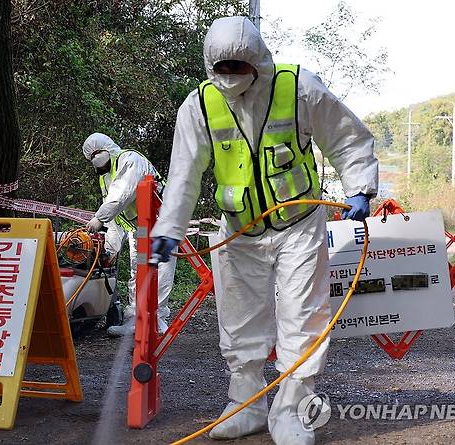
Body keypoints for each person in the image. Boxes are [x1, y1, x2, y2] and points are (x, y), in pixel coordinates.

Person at [149, 17, 378, 445]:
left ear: (259, 62)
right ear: (209, 66)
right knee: (238, 322)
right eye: (223, 69)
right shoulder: (198, 106)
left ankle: (293, 408)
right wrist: (170, 228)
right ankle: (246, 403)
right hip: (238, 231)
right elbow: (183, 174)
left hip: (299, 227)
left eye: (239, 67)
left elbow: (347, 138)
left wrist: (360, 187)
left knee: (302, 318)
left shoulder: (299, 88)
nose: (231, 76)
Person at [83, 132, 177, 337]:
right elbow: (117, 216)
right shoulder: (106, 177)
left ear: (107, 148)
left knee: (161, 270)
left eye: (95, 154)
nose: (95, 161)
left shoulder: (130, 160)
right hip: (141, 228)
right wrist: (111, 248)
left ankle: (156, 319)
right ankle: (135, 320)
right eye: (91, 158)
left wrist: (99, 217)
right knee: (138, 271)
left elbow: (120, 195)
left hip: (163, 223)